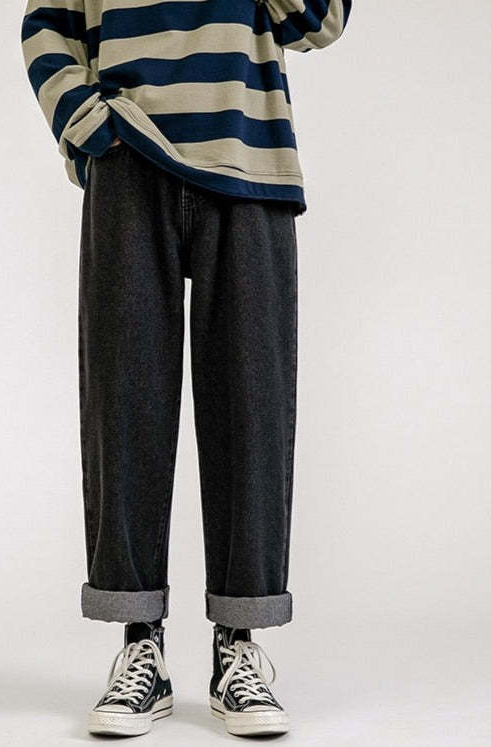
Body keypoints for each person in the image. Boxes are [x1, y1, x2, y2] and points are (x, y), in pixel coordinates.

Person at [21, 0, 351, 737]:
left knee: (252, 408)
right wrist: (86, 122)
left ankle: (239, 644)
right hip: (128, 158)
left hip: (248, 156)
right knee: (125, 404)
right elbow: (47, 22)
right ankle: (140, 643)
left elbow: (319, 22)